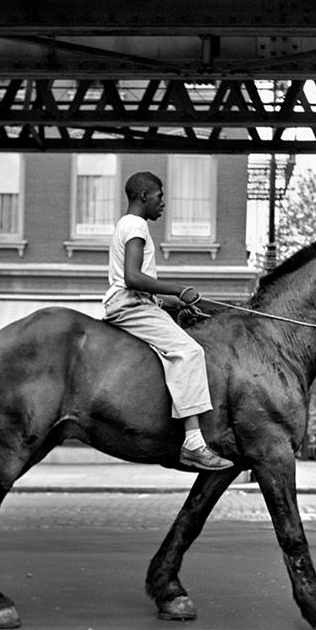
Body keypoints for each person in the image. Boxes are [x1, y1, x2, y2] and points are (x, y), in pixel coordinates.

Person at [103, 171, 233, 471]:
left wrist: (176, 303)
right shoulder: (136, 225)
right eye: (160, 197)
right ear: (144, 196)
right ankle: (193, 443)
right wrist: (178, 289)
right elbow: (133, 278)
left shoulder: (127, 224)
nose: (164, 204)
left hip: (134, 302)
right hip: (130, 305)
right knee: (189, 352)